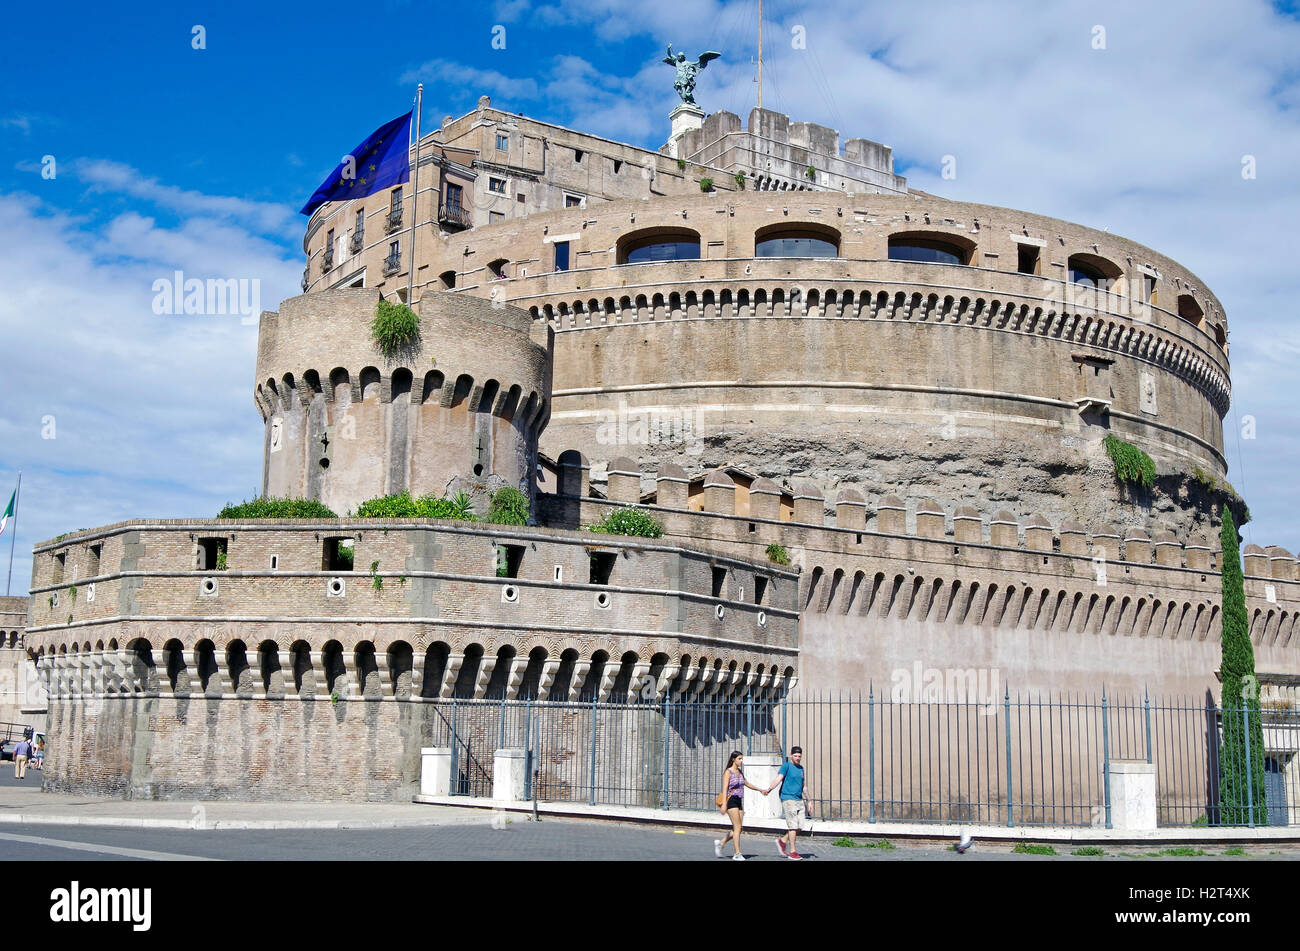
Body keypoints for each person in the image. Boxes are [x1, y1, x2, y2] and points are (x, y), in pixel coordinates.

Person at [714, 751, 766, 860]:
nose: (741, 761)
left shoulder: (740, 772)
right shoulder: (728, 772)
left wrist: (760, 789)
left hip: (739, 800)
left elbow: (746, 783)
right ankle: (737, 853)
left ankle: (721, 843)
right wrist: (724, 804)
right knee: (737, 827)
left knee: (739, 828)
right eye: (739, 759)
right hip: (731, 801)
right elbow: (724, 789)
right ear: (733, 759)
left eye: (742, 759)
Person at [767, 745, 809, 860]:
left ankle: (782, 841)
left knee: (800, 826)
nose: (797, 758)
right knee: (793, 826)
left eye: (799, 756)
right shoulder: (786, 766)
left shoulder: (801, 768)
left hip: (799, 799)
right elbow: (778, 778)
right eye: (795, 756)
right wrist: (769, 789)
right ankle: (792, 852)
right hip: (788, 798)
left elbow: (803, 786)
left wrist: (809, 800)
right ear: (791, 755)